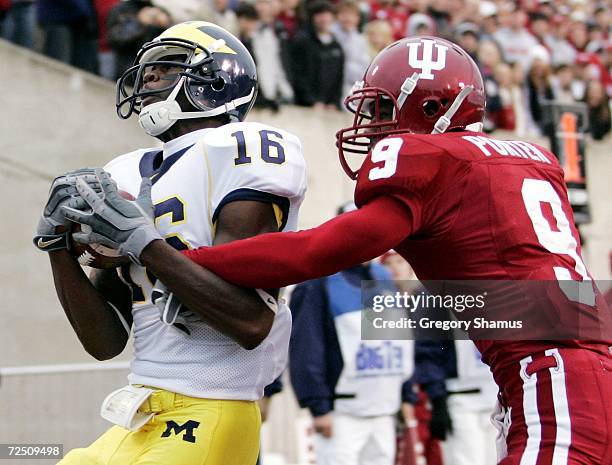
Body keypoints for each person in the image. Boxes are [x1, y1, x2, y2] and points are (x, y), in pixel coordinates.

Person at [58, 36, 611, 464]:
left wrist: (162, 254)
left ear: (434, 107)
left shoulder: (436, 161)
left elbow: (316, 252)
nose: (368, 126)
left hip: (552, 373)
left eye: (381, 110)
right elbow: (512, 297)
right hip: (567, 361)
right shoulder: (526, 158)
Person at [33, 21, 306, 465]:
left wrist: (144, 243)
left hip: (214, 405)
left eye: (166, 66)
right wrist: (56, 248)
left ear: (218, 78)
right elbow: (105, 342)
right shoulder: (127, 169)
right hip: (141, 411)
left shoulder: (244, 148)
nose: (148, 78)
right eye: (146, 70)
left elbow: (252, 322)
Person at [288, 203, 414, 465]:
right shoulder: (317, 282)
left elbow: (399, 342)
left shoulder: (384, 278)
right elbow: (306, 349)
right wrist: (318, 406)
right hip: (341, 414)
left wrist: (405, 395)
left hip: (384, 410)